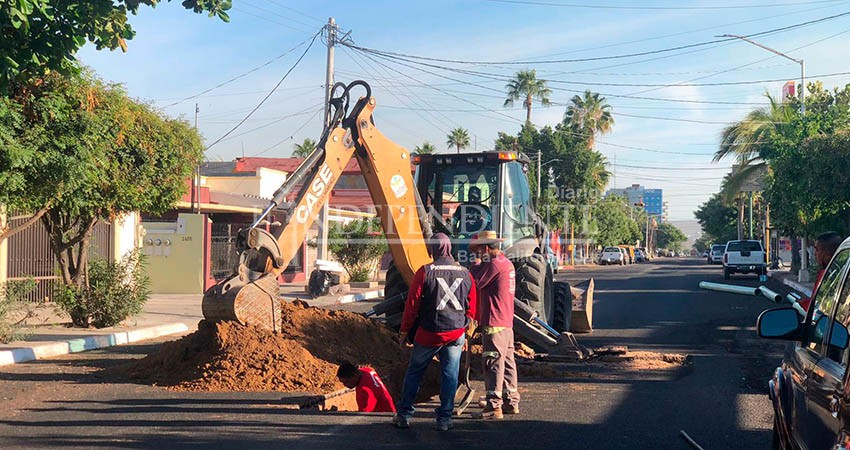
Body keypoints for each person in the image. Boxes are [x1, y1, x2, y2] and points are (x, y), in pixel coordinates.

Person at [394, 233, 478, 431]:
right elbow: (473, 304)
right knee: (450, 374)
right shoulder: (466, 273)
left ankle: (404, 414)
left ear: (432, 249)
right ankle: (445, 419)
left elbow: (412, 305)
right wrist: (468, 327)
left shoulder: (424, 272)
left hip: (429, 333)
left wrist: (404, 331)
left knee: (415, 372)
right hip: (456, 332)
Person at [469, 230, 519, 420]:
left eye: (477, 251)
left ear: (486, 248)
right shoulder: (507, 263)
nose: (476, 254)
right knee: (507, 363)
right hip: (506, 322)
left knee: (492, 363)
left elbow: (475, 284)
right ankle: (511, 400)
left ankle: (493, 406)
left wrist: (474, 266)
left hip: (494, 321)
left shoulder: (494, 265)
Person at [799, 231, 844, 311]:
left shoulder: (827, 275)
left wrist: (802, 303)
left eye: (817, 250)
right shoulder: (841, 270)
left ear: (828, 253)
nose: (815, 254)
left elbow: (817, 308)